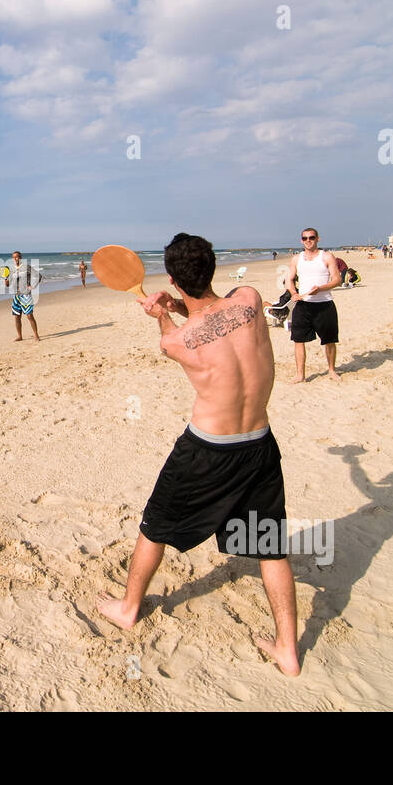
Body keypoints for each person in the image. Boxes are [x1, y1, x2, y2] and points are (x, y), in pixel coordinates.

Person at [97, 233, 299, 675]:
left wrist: (160, 315)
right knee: (270, 547)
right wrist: (175, 306)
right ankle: (288, 649)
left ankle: (129, 607)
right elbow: (217, 319)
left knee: (155, 524)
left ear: (172, 278)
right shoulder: (249, 298)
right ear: (213, 266)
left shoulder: (176, 341)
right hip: (259, 443)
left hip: (207, 449)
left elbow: (184, 339)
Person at [285, 227, 342, 382]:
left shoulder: (327, 256)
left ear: (318, 239)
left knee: (329, 340)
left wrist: (320, 289)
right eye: (305, 238)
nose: (308, 241)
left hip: (324, 305)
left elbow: (337, 280)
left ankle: (331, 370)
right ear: (301, 240)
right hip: (303, 305)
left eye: (311, 237)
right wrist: (293, 293)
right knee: (298, 340)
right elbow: (289, 279)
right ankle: (300, 375)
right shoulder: (296, 259)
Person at [6, 250, 41, 341]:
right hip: (16, 296)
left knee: (29, 316)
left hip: (26, 295)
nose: (15, 259)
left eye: (17, 257)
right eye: (13, 257)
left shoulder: (27, 267)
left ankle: (36, 335)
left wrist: (33, 286)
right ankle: (20, 336)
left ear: (20, 257)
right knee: (17, 316)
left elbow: (38, 276)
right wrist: (6, 280)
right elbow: (8, 284)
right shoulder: (12, 269)